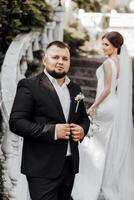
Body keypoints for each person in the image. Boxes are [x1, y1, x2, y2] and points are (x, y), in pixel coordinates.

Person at [9, 41, 90, 200]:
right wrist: (52, 131)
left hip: (69, 165)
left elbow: (83, 118)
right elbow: (16, 122)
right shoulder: (29, 85)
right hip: (41, 167)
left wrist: (83, 130)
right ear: (45, 60)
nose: (60, 61)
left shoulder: (75, 89)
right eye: (55, 57)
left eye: (65, 58)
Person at [72, 31, 134, 200]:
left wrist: (93, 106)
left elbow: (106, 89)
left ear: (116, 46)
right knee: (105, 146)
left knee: (94, 147)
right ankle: (104, 182)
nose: (103, 47)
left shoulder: (108, 63)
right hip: (115, 105)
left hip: (105, 105)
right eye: (103, 43)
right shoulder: (122, 61)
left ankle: (89, 183)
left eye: (106, 44)